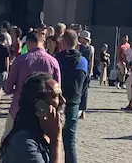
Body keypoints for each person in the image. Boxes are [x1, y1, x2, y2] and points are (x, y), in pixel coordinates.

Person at [2, 30, 62, 142]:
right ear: (42, 43)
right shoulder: (53, 62)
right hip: (44, 111)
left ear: (29, 43)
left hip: (19, 109)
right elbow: (58, 90)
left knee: (8, 142)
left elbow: (8, 88)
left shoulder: (20, 60)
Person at [0, 72, 65, 163]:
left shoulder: (42, 135)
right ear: (39, 105)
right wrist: (56, 140)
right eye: (55, 96)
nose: (63, 101)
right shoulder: (23, 142)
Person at [55, 29, 88, 163]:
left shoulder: (57, 59)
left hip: (57, 103)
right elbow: (85, 86)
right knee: (70, 143)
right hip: (74, 103)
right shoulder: (83, 61)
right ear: (77, 43)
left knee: (53, 140)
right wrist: (83, 106)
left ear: (63, 42)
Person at [78, 31, 94, 119]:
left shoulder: (79, 47)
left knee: (81, 91)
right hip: (86, 70)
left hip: (81, 69)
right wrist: (90, 72)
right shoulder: (91, 48)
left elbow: (91, 61)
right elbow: (91, 61)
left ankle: (81, 110)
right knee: (84, 91)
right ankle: (82, 111)